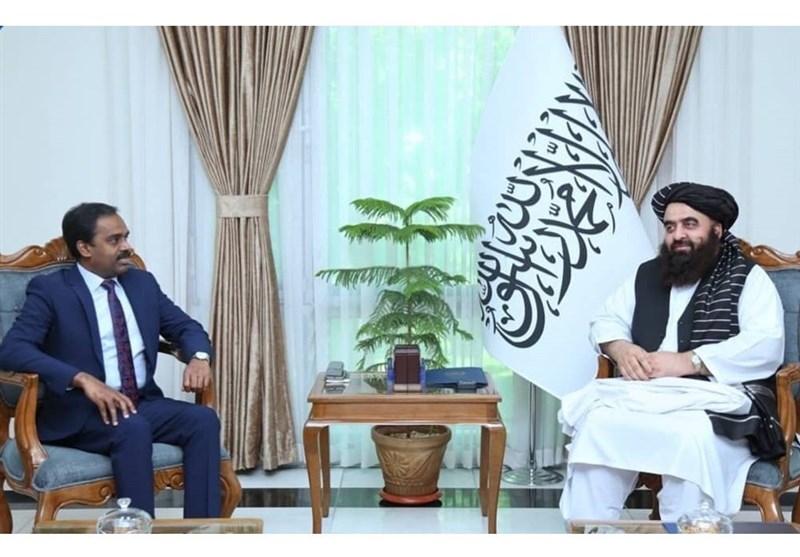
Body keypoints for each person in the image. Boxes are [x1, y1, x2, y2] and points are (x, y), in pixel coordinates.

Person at [559, 182, 785, 522]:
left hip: (717, 397)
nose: (678, 235)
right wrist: (620, 348)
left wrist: (689, 361)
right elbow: (606, 319)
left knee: (688, 435)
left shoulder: (748, 278)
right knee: (598, 423)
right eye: (670, 226)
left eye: (690, 224)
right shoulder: (648, 274)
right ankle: (594, 532)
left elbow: (766, 343)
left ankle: (684, 535)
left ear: (717, 229)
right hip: (649, 393)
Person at [0, 202, 221, 518]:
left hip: (140, 402)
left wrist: (198, 358)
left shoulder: (141, 283)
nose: (127, 247)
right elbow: (13, 349)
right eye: (114, 240)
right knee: (133, 428)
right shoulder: (52, 290)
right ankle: (136, 531)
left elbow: (187, 327)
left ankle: (203, 531)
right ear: (85, 248)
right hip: (81, 413)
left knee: (203, 420)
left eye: (126, 237)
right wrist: (81, 378)